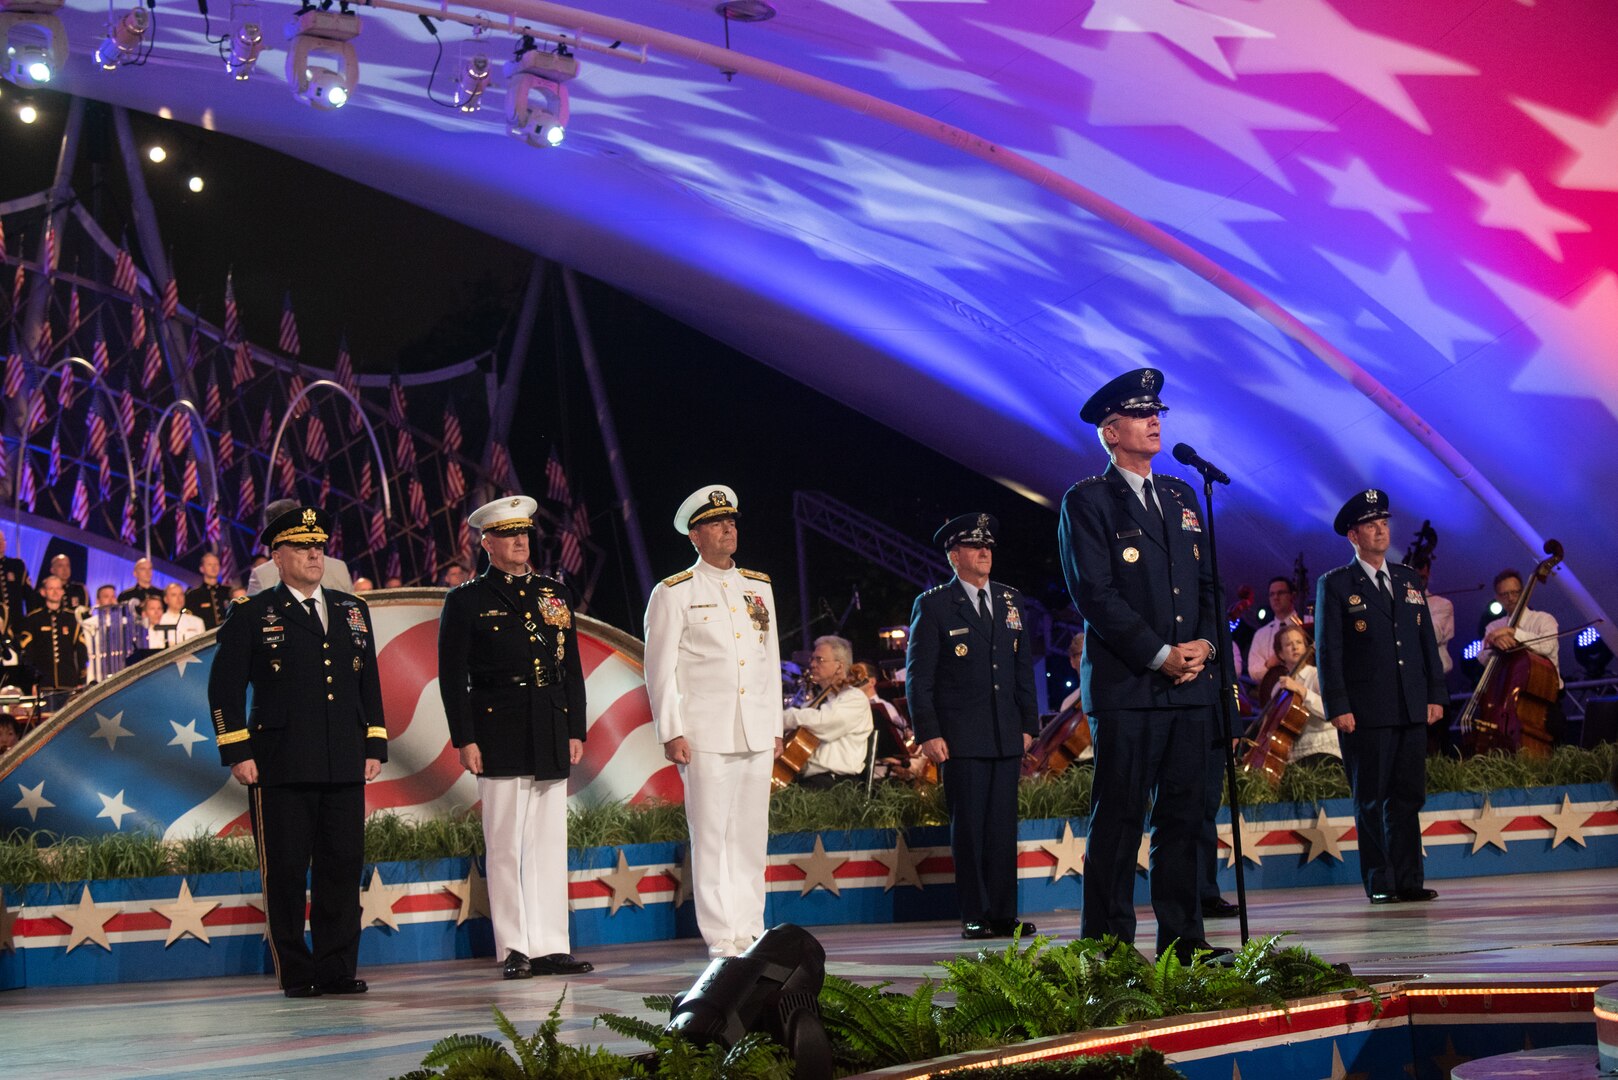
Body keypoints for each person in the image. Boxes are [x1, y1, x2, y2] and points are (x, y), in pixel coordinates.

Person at [1057, 367, 1227, 965]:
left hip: (1189, 688)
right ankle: (1109, 949)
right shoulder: (1088, 500)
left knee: (1185, 817)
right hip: (1131, 686)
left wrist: (1205, 645)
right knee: (1121, 818)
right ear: (1111, 431)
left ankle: (1186, 942)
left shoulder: (1182, 495)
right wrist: (1160, 655)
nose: (1155, 419)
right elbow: (1094, 593)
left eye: (1157, 410)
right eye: (1139, 413)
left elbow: (1208, 584)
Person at [208, 505, 387, 998]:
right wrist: (236, 750)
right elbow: (224, 690)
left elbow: (366, 680)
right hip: (279, 763)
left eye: (320, 546)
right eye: (303, 546)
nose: (315, 553)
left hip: (343, 759)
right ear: (277, 556)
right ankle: (296, 971)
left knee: (342, 867)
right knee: (286, 872)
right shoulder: (253, 613)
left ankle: (336, 968)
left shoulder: (353, 609)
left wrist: (375, 740)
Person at [438, 496, 592, 980]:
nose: (521, 541)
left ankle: (549, 944)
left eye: (525, 532)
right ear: (487, 543)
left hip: (548, 722)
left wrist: (575, 727)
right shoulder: (466, 599)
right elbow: (451, 676)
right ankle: (515, 948)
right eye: (508, 534)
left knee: (548, 841)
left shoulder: (554, 593)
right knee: (505, 844)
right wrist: (465, 738)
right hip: (497, 725)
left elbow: (571, 668)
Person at [643, 485, 782, 959]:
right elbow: (658, 667)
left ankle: (751, 926)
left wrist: (776, 724)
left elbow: (769, 659)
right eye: (718, 523)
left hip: (755, 728)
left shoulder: (757, 586)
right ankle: (722, 935)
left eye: (732, 522)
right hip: (705, 730)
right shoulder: (674, 591)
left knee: (750, 833)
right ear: (695, 535)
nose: (729, 529)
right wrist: (671, 729)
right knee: (712, 836)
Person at [907, 512, 1039, 941]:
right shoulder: (935, 604)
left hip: (1004, 732)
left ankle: (1003, 914)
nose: (985, 552)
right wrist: (928, 732)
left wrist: (1028, 724)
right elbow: (919, 678)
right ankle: (975, 913)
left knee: (1002, 828)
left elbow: (1022, 667)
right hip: (960, 739)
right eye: (974, 546)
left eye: (988, 547)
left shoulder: (1010, 600)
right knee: (969, 830)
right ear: (954, 555)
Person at [1316, 489, 1445, 905]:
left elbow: (1426, 642)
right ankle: (1381, 880)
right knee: (1371, 798)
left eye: (1384, 523)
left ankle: (1409, 879)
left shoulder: (1408, 579)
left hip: (1409, 704)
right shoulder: (1336, 584)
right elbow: (1328, 651)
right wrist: (1339, 706)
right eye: (1371, 525)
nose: (1381, 531)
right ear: (1353, 535)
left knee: (1408, 796)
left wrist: (1435, 694)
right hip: (1365, 711)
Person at [781, 635, 873, 789]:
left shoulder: (854, 698)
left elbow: (823, 723)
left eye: (819, 660)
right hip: (809, 781)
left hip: (836, 784)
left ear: (839, 666)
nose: (812, 664)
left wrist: (784, 717)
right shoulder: (814, 702)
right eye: (812, 659)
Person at [248, 499, 355, 595]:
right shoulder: (339, 568)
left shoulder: (262, 574)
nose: (313, 555)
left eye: (318, 547)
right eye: (302, 548)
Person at [1266, 624, 1337, 767]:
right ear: (1280, 654)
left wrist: (1301, 690)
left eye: (1299, 642)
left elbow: (1331, 710)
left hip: (1324, 749)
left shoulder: (1317, 676)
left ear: (1305, 647)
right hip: (1294, 755)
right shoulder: (1278, 688)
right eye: (1288, 644)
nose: (1295, 647)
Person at [18, 575, 88, 690]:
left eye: (58, 588)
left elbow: (81, 651)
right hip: (44, 683)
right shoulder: (33, 619)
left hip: (69, 681)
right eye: (51, 589)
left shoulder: (73, 619)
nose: (55, 592)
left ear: (62, 592)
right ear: (43, 592)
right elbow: (28, 654)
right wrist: (32, 682)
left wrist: (81, 679)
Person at [1246, 577, 1303, 677]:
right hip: (1274, 689)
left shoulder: (1308, 622)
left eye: (1280, 593)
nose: (1275, 597)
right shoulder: (1261, 634)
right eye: (1272, 594)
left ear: (1292, 596)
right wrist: (1269, 665)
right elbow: (1253, 672)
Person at [186, 552, 233, 630]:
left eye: (216, 564)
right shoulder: (194, 595)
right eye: (209, 564)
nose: (213, 567)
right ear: (202, 569)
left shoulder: (228, 591)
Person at [152, 583, 206, 647]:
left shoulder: (197, 622)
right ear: (166, 599)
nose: (178, 598)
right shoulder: (158, 622)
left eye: (181, 594)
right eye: (174, 595)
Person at [0, 528, 34, 630]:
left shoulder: (17, 565)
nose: (0, 543)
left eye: (2, 540)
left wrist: (31, 621)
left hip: (16, 623)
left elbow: (29, 596)